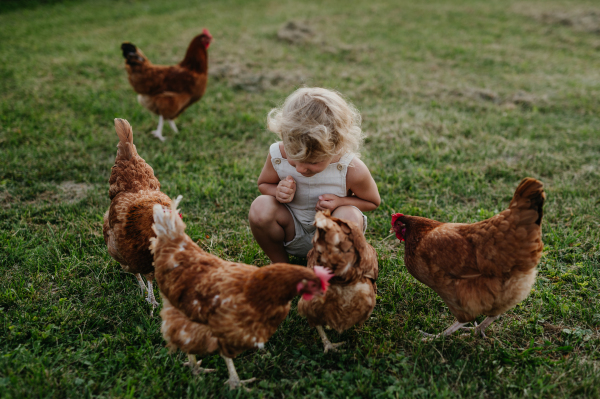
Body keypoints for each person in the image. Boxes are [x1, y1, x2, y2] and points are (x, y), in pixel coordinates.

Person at [249, 87, 380, 263]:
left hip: (333, 237)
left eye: (312, 162)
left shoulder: (350, 168)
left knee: (349, 215)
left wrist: (341, 202)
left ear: (337, 146)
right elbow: (264, 184)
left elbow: (372, 201)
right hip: (292, 229)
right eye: (294, 159)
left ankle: (330, 269)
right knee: (260, 206)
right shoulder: (278, 155)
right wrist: (278, 191)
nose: (301, 169)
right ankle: (280, 264)